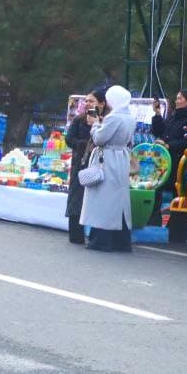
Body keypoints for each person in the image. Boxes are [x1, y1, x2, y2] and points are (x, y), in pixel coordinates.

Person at [81, 85, 135, 252]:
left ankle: (101, 240)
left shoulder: (114, 118)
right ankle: (121, 241)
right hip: (121, 158)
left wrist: (95, 124)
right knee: (119, 201)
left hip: (108, 159)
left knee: (102, 200)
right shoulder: (129, 117)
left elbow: (99, 139)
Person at [151, 90, 187, 213]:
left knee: (179, 195)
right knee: (156, 190)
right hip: (164, 161)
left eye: (179, 98)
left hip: (180, 163)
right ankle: (155, 219)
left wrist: (168, 145)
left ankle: (177, 220)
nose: (176, 101)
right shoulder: (175, 116)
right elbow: (160, 132)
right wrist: (157, 115)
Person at [65, 91, 102, 245]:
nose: (87, 104)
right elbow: (69, 139)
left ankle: (95, 235)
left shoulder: (104, 121)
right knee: (76, 199)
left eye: (91, 101)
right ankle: (76, 235)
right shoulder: (78, 120)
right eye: (86, 101)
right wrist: (82, 145)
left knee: (96, 199)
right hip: (80, 163)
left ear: (101, 103)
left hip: (98, 164)